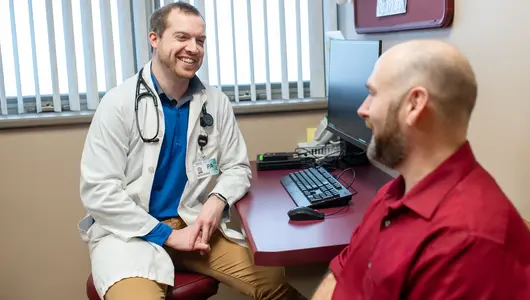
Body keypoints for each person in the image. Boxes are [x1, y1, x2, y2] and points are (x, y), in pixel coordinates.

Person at [77, 3, 305, 300]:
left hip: (192, 225)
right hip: (130, 234)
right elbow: (98, 191)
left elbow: (237, 167)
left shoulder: (215, 102)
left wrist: (217, 200)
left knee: (272, 279)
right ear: (155, 39)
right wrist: (169, 235)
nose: (193, 48)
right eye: (182, 37)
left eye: (200, 40)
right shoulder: (118, 103)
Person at [311, 39, 530, 299]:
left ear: (414, 104)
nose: (363, 109)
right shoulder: (393, 193)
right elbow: (343, 272)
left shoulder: (470, 241)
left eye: (373, 94)